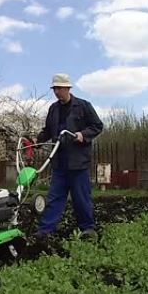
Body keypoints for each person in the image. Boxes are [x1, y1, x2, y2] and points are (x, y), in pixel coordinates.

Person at [34, 73, 104, 239]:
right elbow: (48, 131)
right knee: (54, 199)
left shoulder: (83, 106)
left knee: (81, 199)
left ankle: (87, 229)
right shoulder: (53, 109)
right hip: (60, 163)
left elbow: (97, 126)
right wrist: (36, 141)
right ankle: (46, 231)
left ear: (68, 88)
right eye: (54, 89)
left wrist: (83, 134)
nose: (57, 92)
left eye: (59, 88)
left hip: (78, 163)